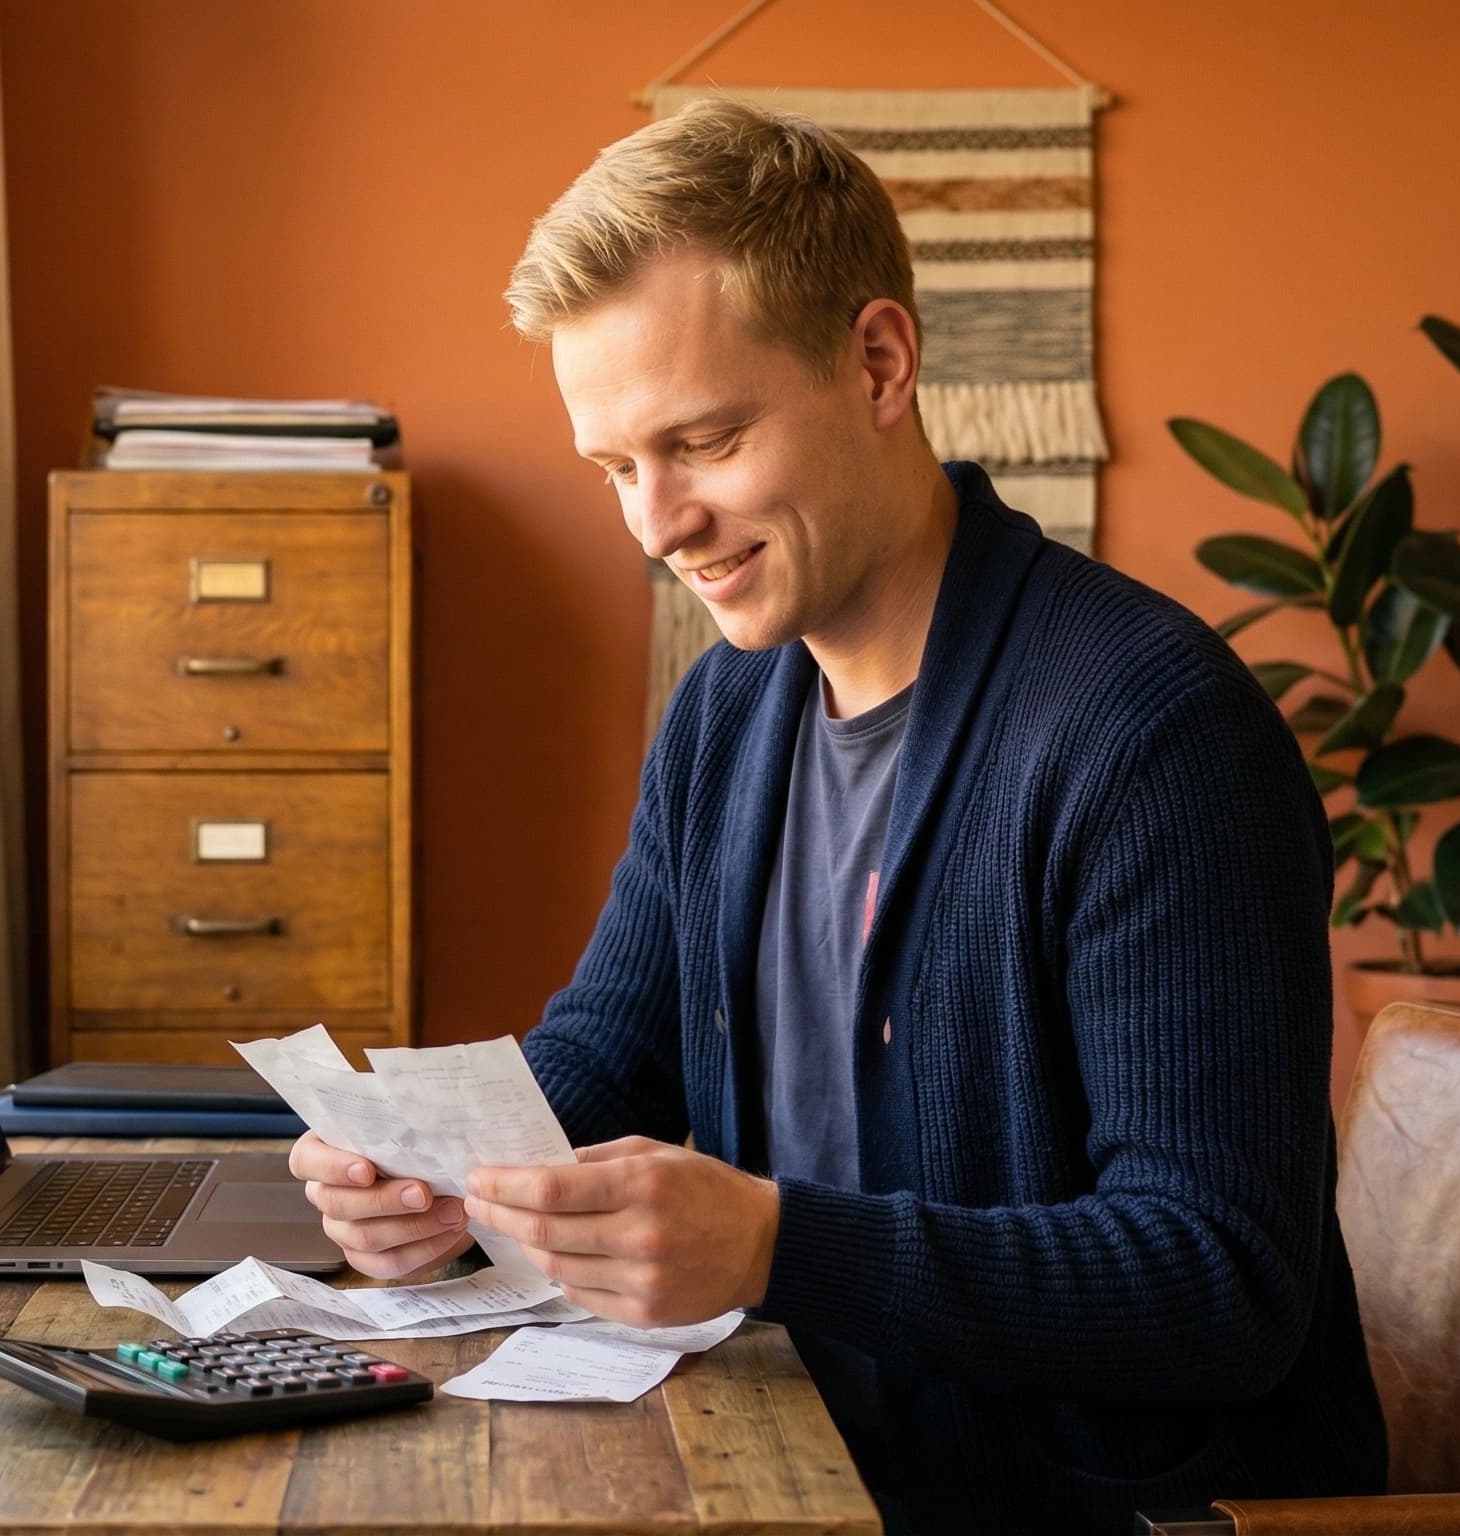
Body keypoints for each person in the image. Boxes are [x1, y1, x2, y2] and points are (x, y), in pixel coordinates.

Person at [289, 99, 1388, 1533]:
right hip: (794, 1464)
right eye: (617, 467)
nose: (656, 525)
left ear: (878, 361)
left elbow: (1216, 1282)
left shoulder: (1150, 733)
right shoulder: (729, 715)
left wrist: (778, 1247)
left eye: (705, 440)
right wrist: (436, 1170)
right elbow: (613, 1057)